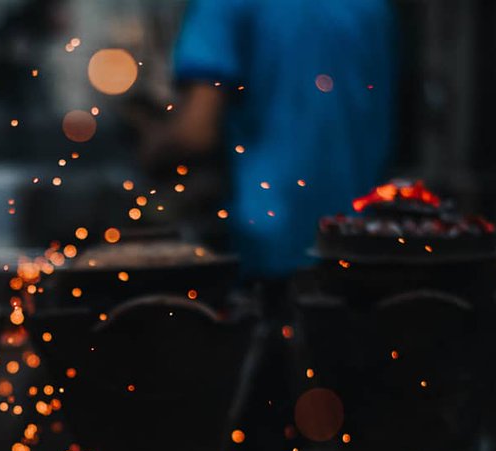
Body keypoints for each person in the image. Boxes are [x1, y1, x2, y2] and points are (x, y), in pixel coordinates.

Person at [153, 0, 396, 278]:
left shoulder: (224, 4)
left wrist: (152, 149)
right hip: (360, 241)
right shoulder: (372, 7)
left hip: (269, 244)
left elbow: (195, 134)